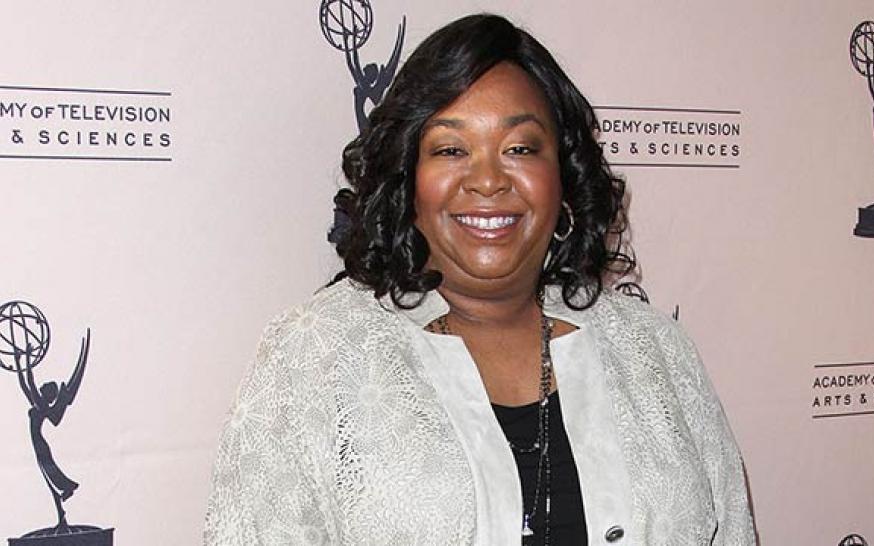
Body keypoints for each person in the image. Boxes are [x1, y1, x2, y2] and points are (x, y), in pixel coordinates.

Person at [204, 13, 755, 546]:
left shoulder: (655, 351)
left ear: (563, 177)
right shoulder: (316, 356)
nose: (488, 180)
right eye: (451, 149)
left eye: (520, 149)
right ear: (408, 179)